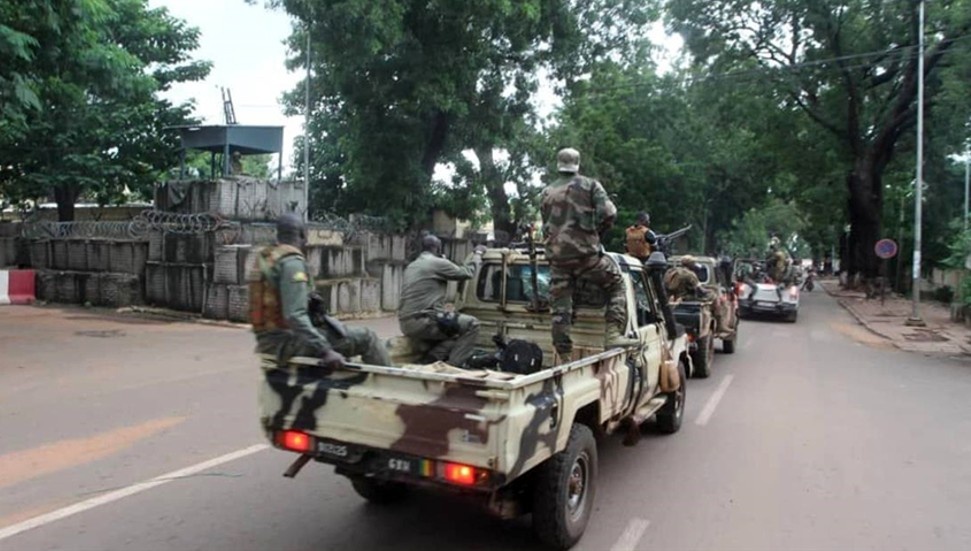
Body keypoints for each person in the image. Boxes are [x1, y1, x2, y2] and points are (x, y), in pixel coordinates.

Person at [249, 213, 390, 369]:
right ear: (303, 234)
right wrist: (325, 350)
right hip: (287, 343)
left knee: (335, 333)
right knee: (367, 338)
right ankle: (393, 386)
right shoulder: (292, 263)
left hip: (267, 340)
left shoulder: (267, 258)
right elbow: (295, 315)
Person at [540, 147, 639, 357]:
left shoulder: (547, 192)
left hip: (558, 260)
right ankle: (612, 335)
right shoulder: (590, 185)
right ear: (578, 164)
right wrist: (596, 231)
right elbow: (609, 213)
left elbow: (546, 225)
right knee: (616, 283)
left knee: (560, 308)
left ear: (558, 164)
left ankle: (563, 354)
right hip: (586, 257)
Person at [398, 234, 484, 367]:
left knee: (455, 334)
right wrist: (477, 254)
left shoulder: (412, 265)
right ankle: (452, 367)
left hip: (405, 323)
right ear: (438, 249)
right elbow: (467, 273)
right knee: (472, 324)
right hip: (425, 321)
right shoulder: (437, 263)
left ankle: (431, 359)